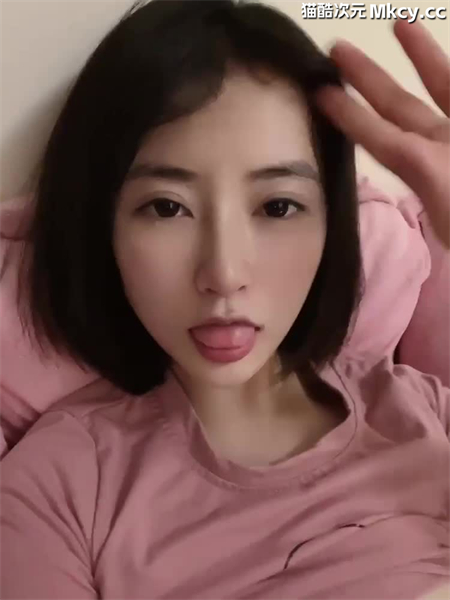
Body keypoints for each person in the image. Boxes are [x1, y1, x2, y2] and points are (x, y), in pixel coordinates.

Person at [1, 1, 449, 598]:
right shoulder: (58, 490)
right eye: (167, 207)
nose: (224, 274)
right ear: (101, 224)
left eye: (278, 206)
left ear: (331, 222)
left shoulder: (426, 412)